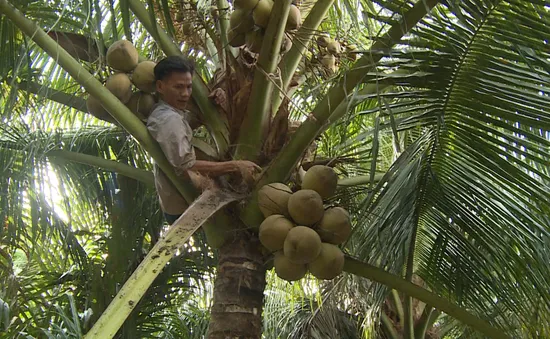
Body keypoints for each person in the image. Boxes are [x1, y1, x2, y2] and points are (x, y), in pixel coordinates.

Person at [147, 56, 261, 224]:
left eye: (189, 87)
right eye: (178, 87)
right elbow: (187, 165)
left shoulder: (166, 112)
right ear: (160, 86)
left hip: (176, 203)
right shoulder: (169, 120)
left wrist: (215, 105)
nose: (185, 94)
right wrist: (236, 166)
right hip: (184, 207)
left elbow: (185, 126)